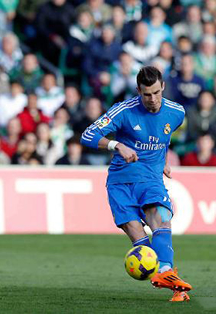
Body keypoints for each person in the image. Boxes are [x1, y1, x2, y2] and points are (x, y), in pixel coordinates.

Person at [80, 66, 192, 302]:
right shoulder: (124, 111)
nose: (152, 100)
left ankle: (167, 277)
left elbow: (163, 136)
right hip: (120, 182)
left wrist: (161, 161)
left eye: (155, 93)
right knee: (139, 239)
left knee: (161, 217)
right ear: (138, 91)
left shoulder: (177, 112)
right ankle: (164, 274)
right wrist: (116, 145)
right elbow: (87, 134)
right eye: (146, 94)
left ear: (162, 86)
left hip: (150, 179)